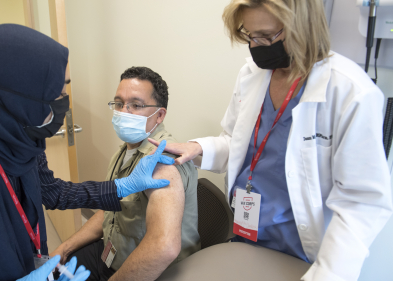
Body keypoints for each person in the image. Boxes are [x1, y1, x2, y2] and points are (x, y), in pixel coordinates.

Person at [0, 24, 175, 281]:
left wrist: (120, 188)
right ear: (16, 98)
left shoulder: (19, 143)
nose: (64, 104)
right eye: (57, 93)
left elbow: (50, 192)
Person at [149, 1, 392, 280]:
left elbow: (362, 202)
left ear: (303, 28)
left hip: (306, 253)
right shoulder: (252, 75)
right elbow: (237, 143)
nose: (256, 46)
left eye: (266, 36)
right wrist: (199, 147)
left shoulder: (350, 91)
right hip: (246, 234)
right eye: (250, 35)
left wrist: (327, 275)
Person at [50, 67, 201, 281]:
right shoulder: (126, 150)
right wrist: (64, 248)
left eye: (136, 105)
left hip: (152, 272)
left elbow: (163, 246)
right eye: (119, 103)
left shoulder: (163, 162)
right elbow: (110, 210)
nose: (123, 111)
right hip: (113, 251)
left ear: (159, 115)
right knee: (55, 273)